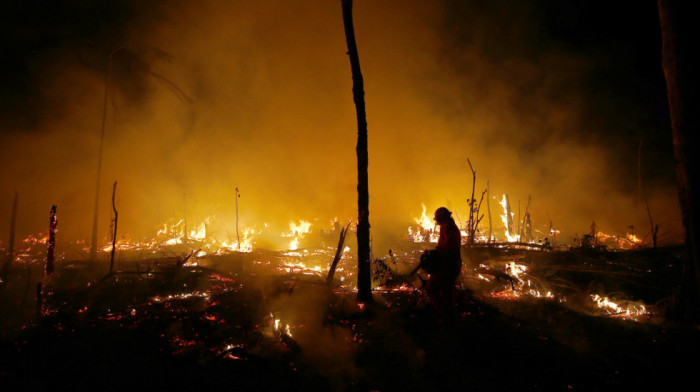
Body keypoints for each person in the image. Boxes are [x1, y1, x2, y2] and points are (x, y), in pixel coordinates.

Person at [425, 207, 462, 314]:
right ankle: (450, 317)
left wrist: (436, 252)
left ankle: (445, 315)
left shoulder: (448, 226)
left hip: (447, 266)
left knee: (431, 289)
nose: (436, 221)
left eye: (437, 218)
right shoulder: (447, 225)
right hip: (450, 264)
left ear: (441, 218)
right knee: (446, 292)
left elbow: (450, 245)